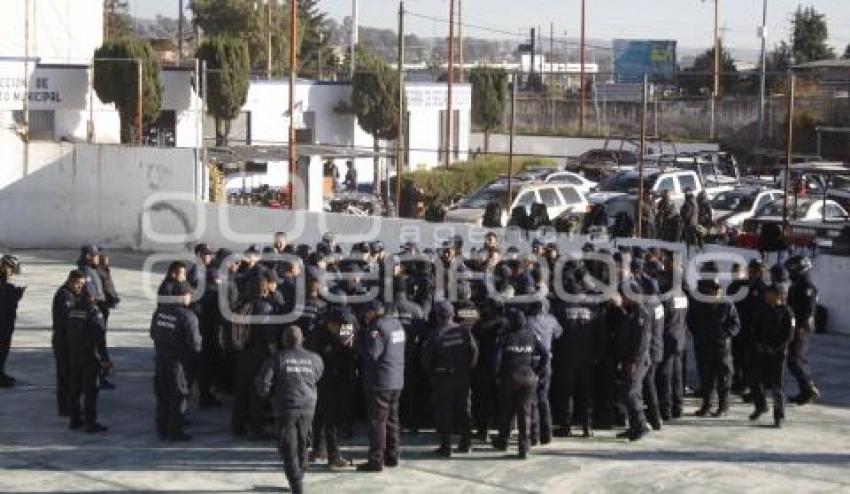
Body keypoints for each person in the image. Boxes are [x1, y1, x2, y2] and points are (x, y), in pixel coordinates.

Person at [257, 326, 324, 494]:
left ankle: (296, 484)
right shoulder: (315, 359)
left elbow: (263, 383)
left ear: (284, 340)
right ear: (303, 340)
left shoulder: (277, 358)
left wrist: (270, 397)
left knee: (289, 446)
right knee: (303, 442)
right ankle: (300, 473)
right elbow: (318, 376)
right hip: (308, 406)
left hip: (285, 407)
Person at [420, 301, 479, 457]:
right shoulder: (463, 331)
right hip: (462, 377)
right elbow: (474, 351)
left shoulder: (434, 334)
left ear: (438, 316)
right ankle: (466, 444)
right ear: (452, 314)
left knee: (444, 411)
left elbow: (426, 361)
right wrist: (468, 368)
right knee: (465, 410)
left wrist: (433, 374)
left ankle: (446, 447)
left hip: (443, 378)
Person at [356, 302, 406, 472]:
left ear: (372, 313)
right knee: (392, 420)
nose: (365, 317)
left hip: (380, 382)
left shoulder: (376, 327)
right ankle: (392, 455)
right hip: (396, 380)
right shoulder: (397, 324)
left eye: (366, 314)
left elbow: (372, 354)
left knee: (378, 422)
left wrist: (356, 344)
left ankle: (376, 460)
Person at [492, 309, 549, 459]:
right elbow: (545, 355)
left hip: (510, 379)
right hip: (528, 379)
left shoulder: (505, 336)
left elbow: (496, 359)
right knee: (525, 414)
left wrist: (497, 375)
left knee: (506, 412)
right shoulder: (531, 336)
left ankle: (503, 441)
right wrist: (536, 372)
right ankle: (523, 448)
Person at [306, 307, 358, 468]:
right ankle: (333, 456)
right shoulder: (319, 337)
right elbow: (333, 357)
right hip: (326, 381)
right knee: (329, 419)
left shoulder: (345, 329)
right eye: (341, 326)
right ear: (331, 324)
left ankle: (318, 450)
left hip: (337, 380)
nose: (345, 329)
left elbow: (350, 349)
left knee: (322, 418)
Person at [150, 281, 202, 441]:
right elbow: (195, 344)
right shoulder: (188, 316)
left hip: (160, 358)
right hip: (178, 362)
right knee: (179, 395)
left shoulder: (159, 312)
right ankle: (175, 431)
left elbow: (153, 333)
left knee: (163, 393)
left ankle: (162, 427)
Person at [231, 271, 279, 439]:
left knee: (241, 389)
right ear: (265, 289)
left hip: (242, 352)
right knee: (257, 391)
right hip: (259, 354)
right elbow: (269, 335)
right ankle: (257, 428)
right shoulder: (265, 307)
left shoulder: (242, 304)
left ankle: (237, 425)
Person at [688, 278, 741, 417]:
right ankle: (707, 406)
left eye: (717, 289)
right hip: (704, 346)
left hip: (721, 348)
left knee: (724, 378)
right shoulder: (699, 303)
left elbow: (735, 324)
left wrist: (725, 335)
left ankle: (723, 406)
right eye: (712, 289)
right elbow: (691, 321)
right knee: (706, 378)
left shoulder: (727, 304)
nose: (715, 291)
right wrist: (699, 334)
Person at [750, 284, 795, 428]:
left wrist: (775, 348)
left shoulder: (787, 312)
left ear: (779, 295)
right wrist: (759, 344)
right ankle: (760, 405)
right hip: (761, 351)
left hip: (778, 354)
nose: (766, 296)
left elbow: (789, 335)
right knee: (756, 381)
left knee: (777, 386)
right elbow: (754, 328)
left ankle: (779, 415)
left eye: (770, 294)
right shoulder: (762, 309)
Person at [613, 280, 652, 441]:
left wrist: (634, 361)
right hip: (628, 359)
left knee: (631, 392)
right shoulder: (630, 311)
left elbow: (642, 342)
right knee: (626, 392)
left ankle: (641, 425)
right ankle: (634, 425)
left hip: (637, 361)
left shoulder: (642, 314)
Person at [66, 291, 111, 432]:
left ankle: (74, 420)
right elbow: (100, 337)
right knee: (91, 391)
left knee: (75, 389)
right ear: (92, 298)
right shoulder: (94, 312)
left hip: (73, 355)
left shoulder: (73, 311)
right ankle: (91, 424)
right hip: (90, 357)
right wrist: (104, 359)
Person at [525, 298, 562, 446]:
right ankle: (547, 435)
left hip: (531, 361)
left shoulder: (527, 321)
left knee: (531, 399)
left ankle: (534, 435)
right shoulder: (552, 320)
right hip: (546, 361)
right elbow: (559, 334)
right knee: (543, 398)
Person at [784, 256, 820, 405]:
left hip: (801, 328)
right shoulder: (797, 285)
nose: (790, 274)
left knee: (795, 359)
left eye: (792, 270)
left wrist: (799, 329)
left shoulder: (807, 287)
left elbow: (807, 312)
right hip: (794, 326)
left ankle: (808, 388)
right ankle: (805, 391)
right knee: (795, 359)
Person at [52, 270, 86, 415]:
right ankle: (65, 408)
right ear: (71, 281)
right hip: (63, 341)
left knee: (70, 375)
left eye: (82, 285)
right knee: (65, 375)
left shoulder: (72, 294)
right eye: (78, 285)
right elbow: (70, 318)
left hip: (69, 340)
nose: (80, 288)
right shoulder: (64, 295)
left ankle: (70, 406)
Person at [0, 255, 25, 387]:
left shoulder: (6, 284)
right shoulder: (4, 285)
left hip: (6, 322)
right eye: (10, 268)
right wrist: (16, 294)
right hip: (3, 322)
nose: (11, 272)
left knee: (4, 349)